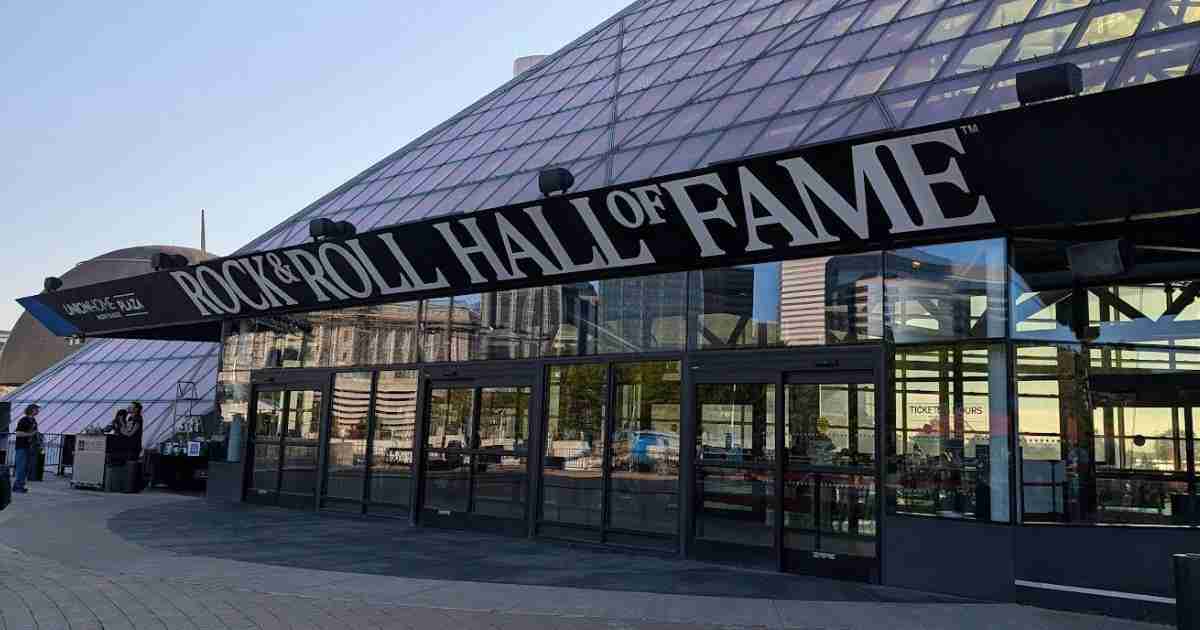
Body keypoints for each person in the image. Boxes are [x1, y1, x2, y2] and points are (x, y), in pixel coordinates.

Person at [12, 404, 40, 493]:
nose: (38, 411)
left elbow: (34, 432)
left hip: (29, 447)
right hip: (21, 447)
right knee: (21, 467)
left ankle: (21, 485)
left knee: (25, 468)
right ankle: (17, 486)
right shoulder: (23, 420)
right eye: (36, 409)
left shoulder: (33, 420)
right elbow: (18, 433)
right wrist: (30, 434)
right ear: (31, 410)